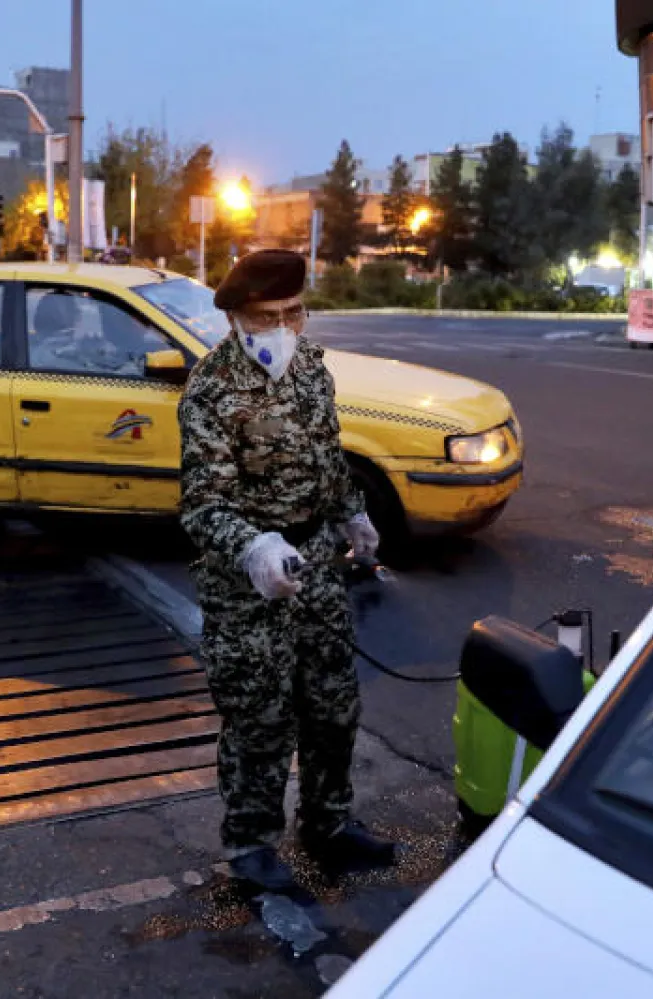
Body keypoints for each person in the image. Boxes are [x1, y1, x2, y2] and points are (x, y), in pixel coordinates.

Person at [178, 249, 394, 892]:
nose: (285, 326)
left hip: (317, 564)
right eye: (269, 316)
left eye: (294, 312)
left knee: (333, 706)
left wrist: (353, 514)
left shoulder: (311, 371)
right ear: (239, 319)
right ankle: (250, 846)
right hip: (247, 584)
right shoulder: (211, 390)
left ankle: (328, 825)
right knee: (260, 719)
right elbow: (202, 504)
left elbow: (329, 460)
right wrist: (254, 548)